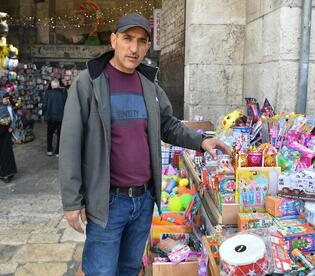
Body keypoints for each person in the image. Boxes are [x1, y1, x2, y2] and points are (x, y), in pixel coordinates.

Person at [59, 13, 231, 275]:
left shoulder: (148, 85)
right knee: (100, 271)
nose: (134, 48)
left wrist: (202, 141)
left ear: (148, 46)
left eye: (141, 41)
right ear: (114, 40)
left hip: (142, 200)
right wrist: (72, 202)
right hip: (107, 201)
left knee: (129, 268)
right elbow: (70, 143)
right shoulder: (88, 83)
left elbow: (167, 125)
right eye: (128, 39)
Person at [43, 78, 67, 156]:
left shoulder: (48, 93)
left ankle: (49, 150)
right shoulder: (63, 94)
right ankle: (58, 152)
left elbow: (44, 105)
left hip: (50, 117)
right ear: (59, 85)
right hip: (60, 117)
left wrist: (44, 113)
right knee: (60, 135)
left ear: (51, 86)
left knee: (49, 134)